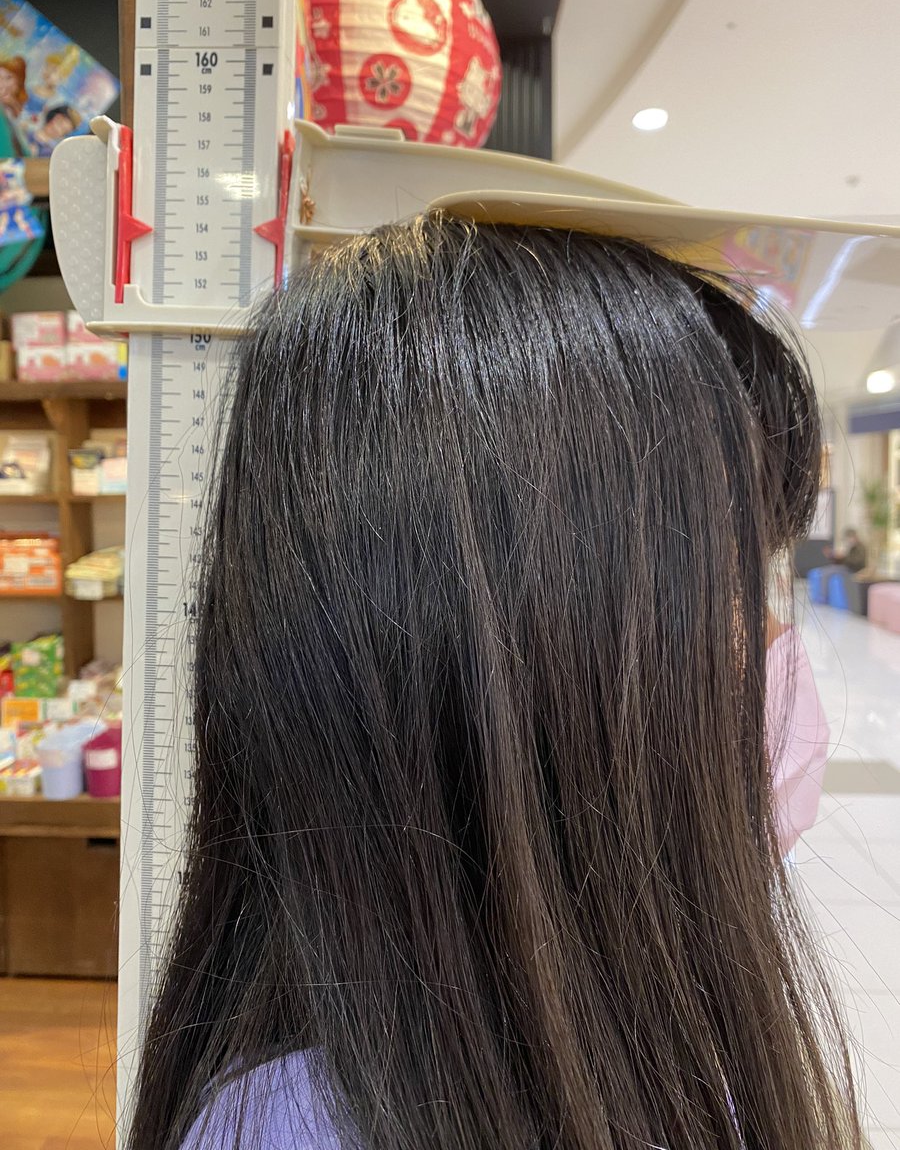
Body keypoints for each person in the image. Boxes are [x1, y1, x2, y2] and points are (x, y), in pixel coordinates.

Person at [130, 216, 858, 1150]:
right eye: (736, 587)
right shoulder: (302, 1127)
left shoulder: (640, 1044)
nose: (777, 650)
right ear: (543, 645)